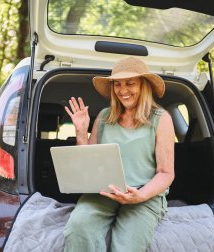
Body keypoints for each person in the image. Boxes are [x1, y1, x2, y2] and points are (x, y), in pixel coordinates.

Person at [63, 57, 175, 251]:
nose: (123, 91)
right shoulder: (105, 116)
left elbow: (166, 173)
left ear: (143, 86)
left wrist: (139, 196)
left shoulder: (161, 119)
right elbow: (87, 164)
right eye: (117, 84)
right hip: (104, 192)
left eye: (130, 83)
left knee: (127, 246)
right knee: (78, 228)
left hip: (143, 196)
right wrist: (81, 131)